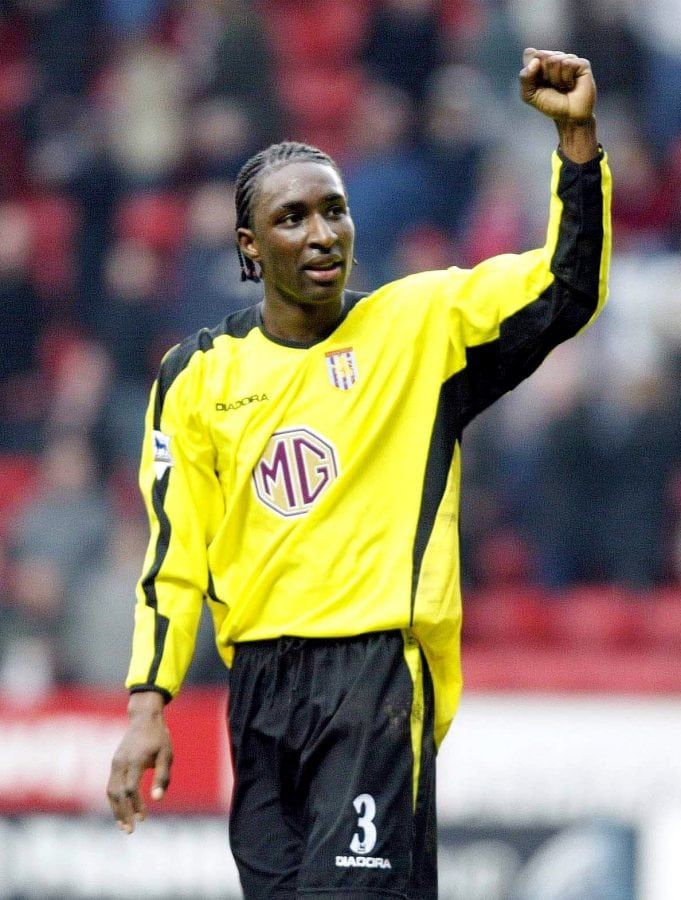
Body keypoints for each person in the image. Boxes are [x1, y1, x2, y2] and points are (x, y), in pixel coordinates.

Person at [107, 49, 612, 900]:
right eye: (294, 217)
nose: (321, 234)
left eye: (334, 212)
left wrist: (576, 145)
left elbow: (565, 287)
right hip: (259, 691)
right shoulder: (194, 375)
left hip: (373, 676)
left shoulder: (417, 330)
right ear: (248, 245)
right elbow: (173, 556)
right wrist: (147, 703)